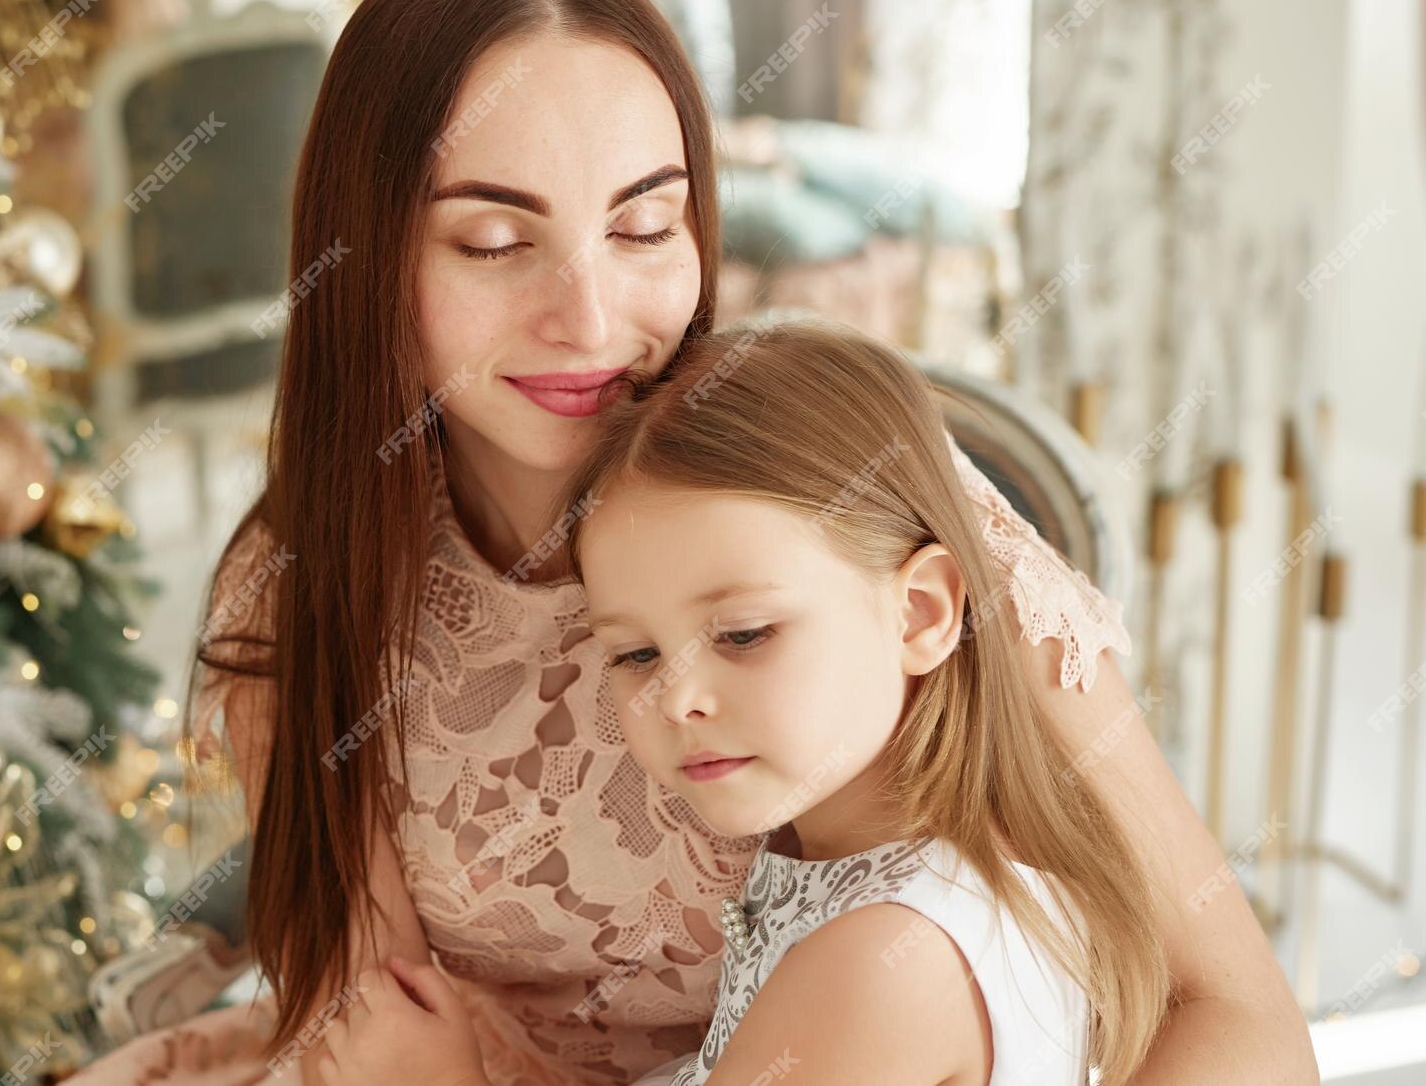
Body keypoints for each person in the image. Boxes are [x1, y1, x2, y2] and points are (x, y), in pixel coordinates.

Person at [67, 0, 1311, 1085]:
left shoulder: (845, 500)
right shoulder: (312, 582)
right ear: (364, 260)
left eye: (645, 225)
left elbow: (1238, 1017)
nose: (593, 319)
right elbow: (385, 1038)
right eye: (495, 244)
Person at [313, 321, 1173, 1085]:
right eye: (637, 652)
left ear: (921, 612)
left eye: (745, 634)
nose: (676, 697)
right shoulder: (887, 884)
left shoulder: (882, 963)